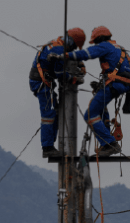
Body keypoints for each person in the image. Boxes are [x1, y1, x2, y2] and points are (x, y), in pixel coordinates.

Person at [52, 26, 130, 157]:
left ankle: (109, 144)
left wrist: (64, 56)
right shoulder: (120, 48)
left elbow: (86, 54)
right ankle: (106, 144)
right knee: (100, 110)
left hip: (114, 84)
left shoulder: (105, 46)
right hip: (120, 85)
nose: (96, 44)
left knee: (90, 115)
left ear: (100, 38)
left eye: (96, 41)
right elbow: (121, 70)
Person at [29, 28, 86, 158]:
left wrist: (79, 63)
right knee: (48, 116)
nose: (74, 48)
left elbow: (68, 56)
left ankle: (50, 144)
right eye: (75, 45)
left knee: (56, 112)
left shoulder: (58, 43)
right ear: (71, 41)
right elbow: (60, 74)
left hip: (43, 81)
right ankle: (48, 147)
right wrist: (74, 79)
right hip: (41, 83)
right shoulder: (59, 50)